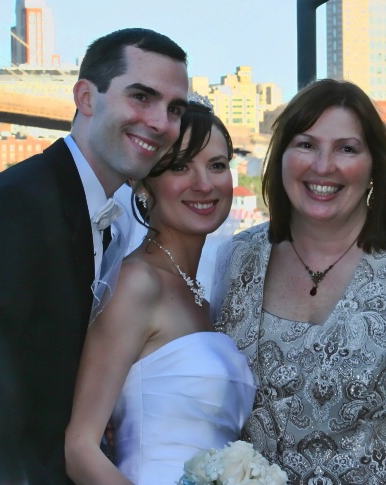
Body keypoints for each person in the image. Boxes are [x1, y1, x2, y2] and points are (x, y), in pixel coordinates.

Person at [0, 28, 190, 484]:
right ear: (86, 97)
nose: (161, 122)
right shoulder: (12, 210)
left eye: (174, 109)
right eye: (141, 97)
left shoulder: (105, 214)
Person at [217, 79, 386, 484]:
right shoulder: (238, 258)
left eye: (346, 149)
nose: (323, 166)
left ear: (374, 166)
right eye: (305, 144)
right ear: (281, 156)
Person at [65, 97, 256, 485]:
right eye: (181, 166)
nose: (204, 184)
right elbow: (80, 448)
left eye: (217, 166)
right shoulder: (138, 283)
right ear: (144, 182)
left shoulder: (203, 294)